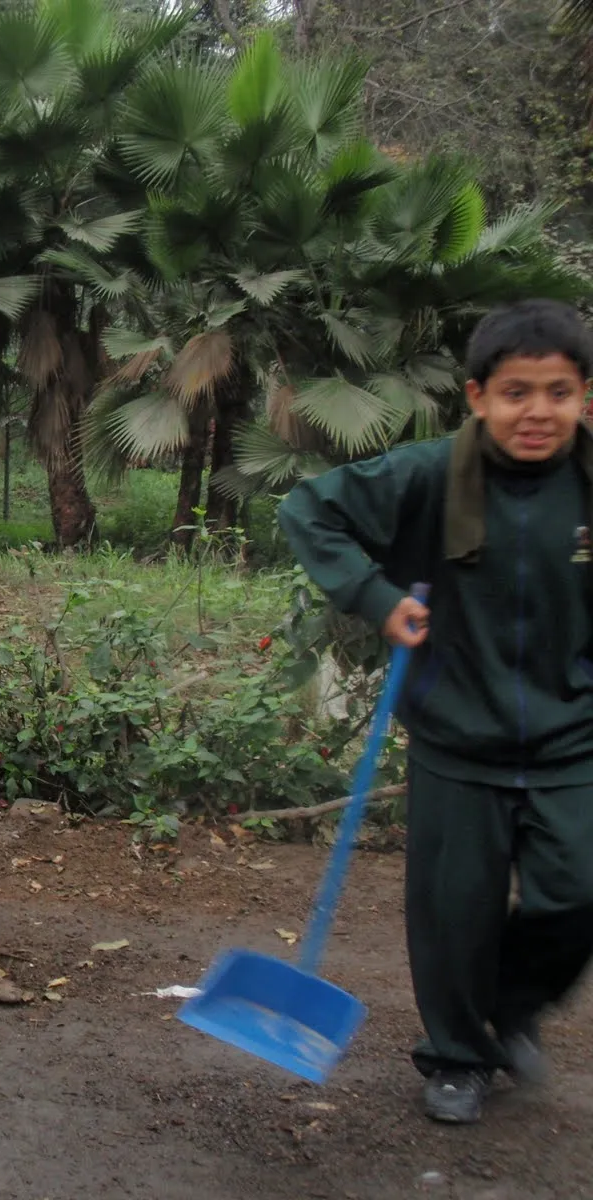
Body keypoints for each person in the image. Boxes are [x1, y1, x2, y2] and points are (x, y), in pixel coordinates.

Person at [279, 298, 593, 1125]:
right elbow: (307, 511)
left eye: (558, 393)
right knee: (454, 914)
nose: (538, 412)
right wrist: (377, 596)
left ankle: (514, 1002)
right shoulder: (427, 474)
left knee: (578, 891)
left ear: (584, 399)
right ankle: (458, 1058)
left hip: (573, 738)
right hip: (457, 737)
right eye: (517, 392)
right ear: (478, 395)